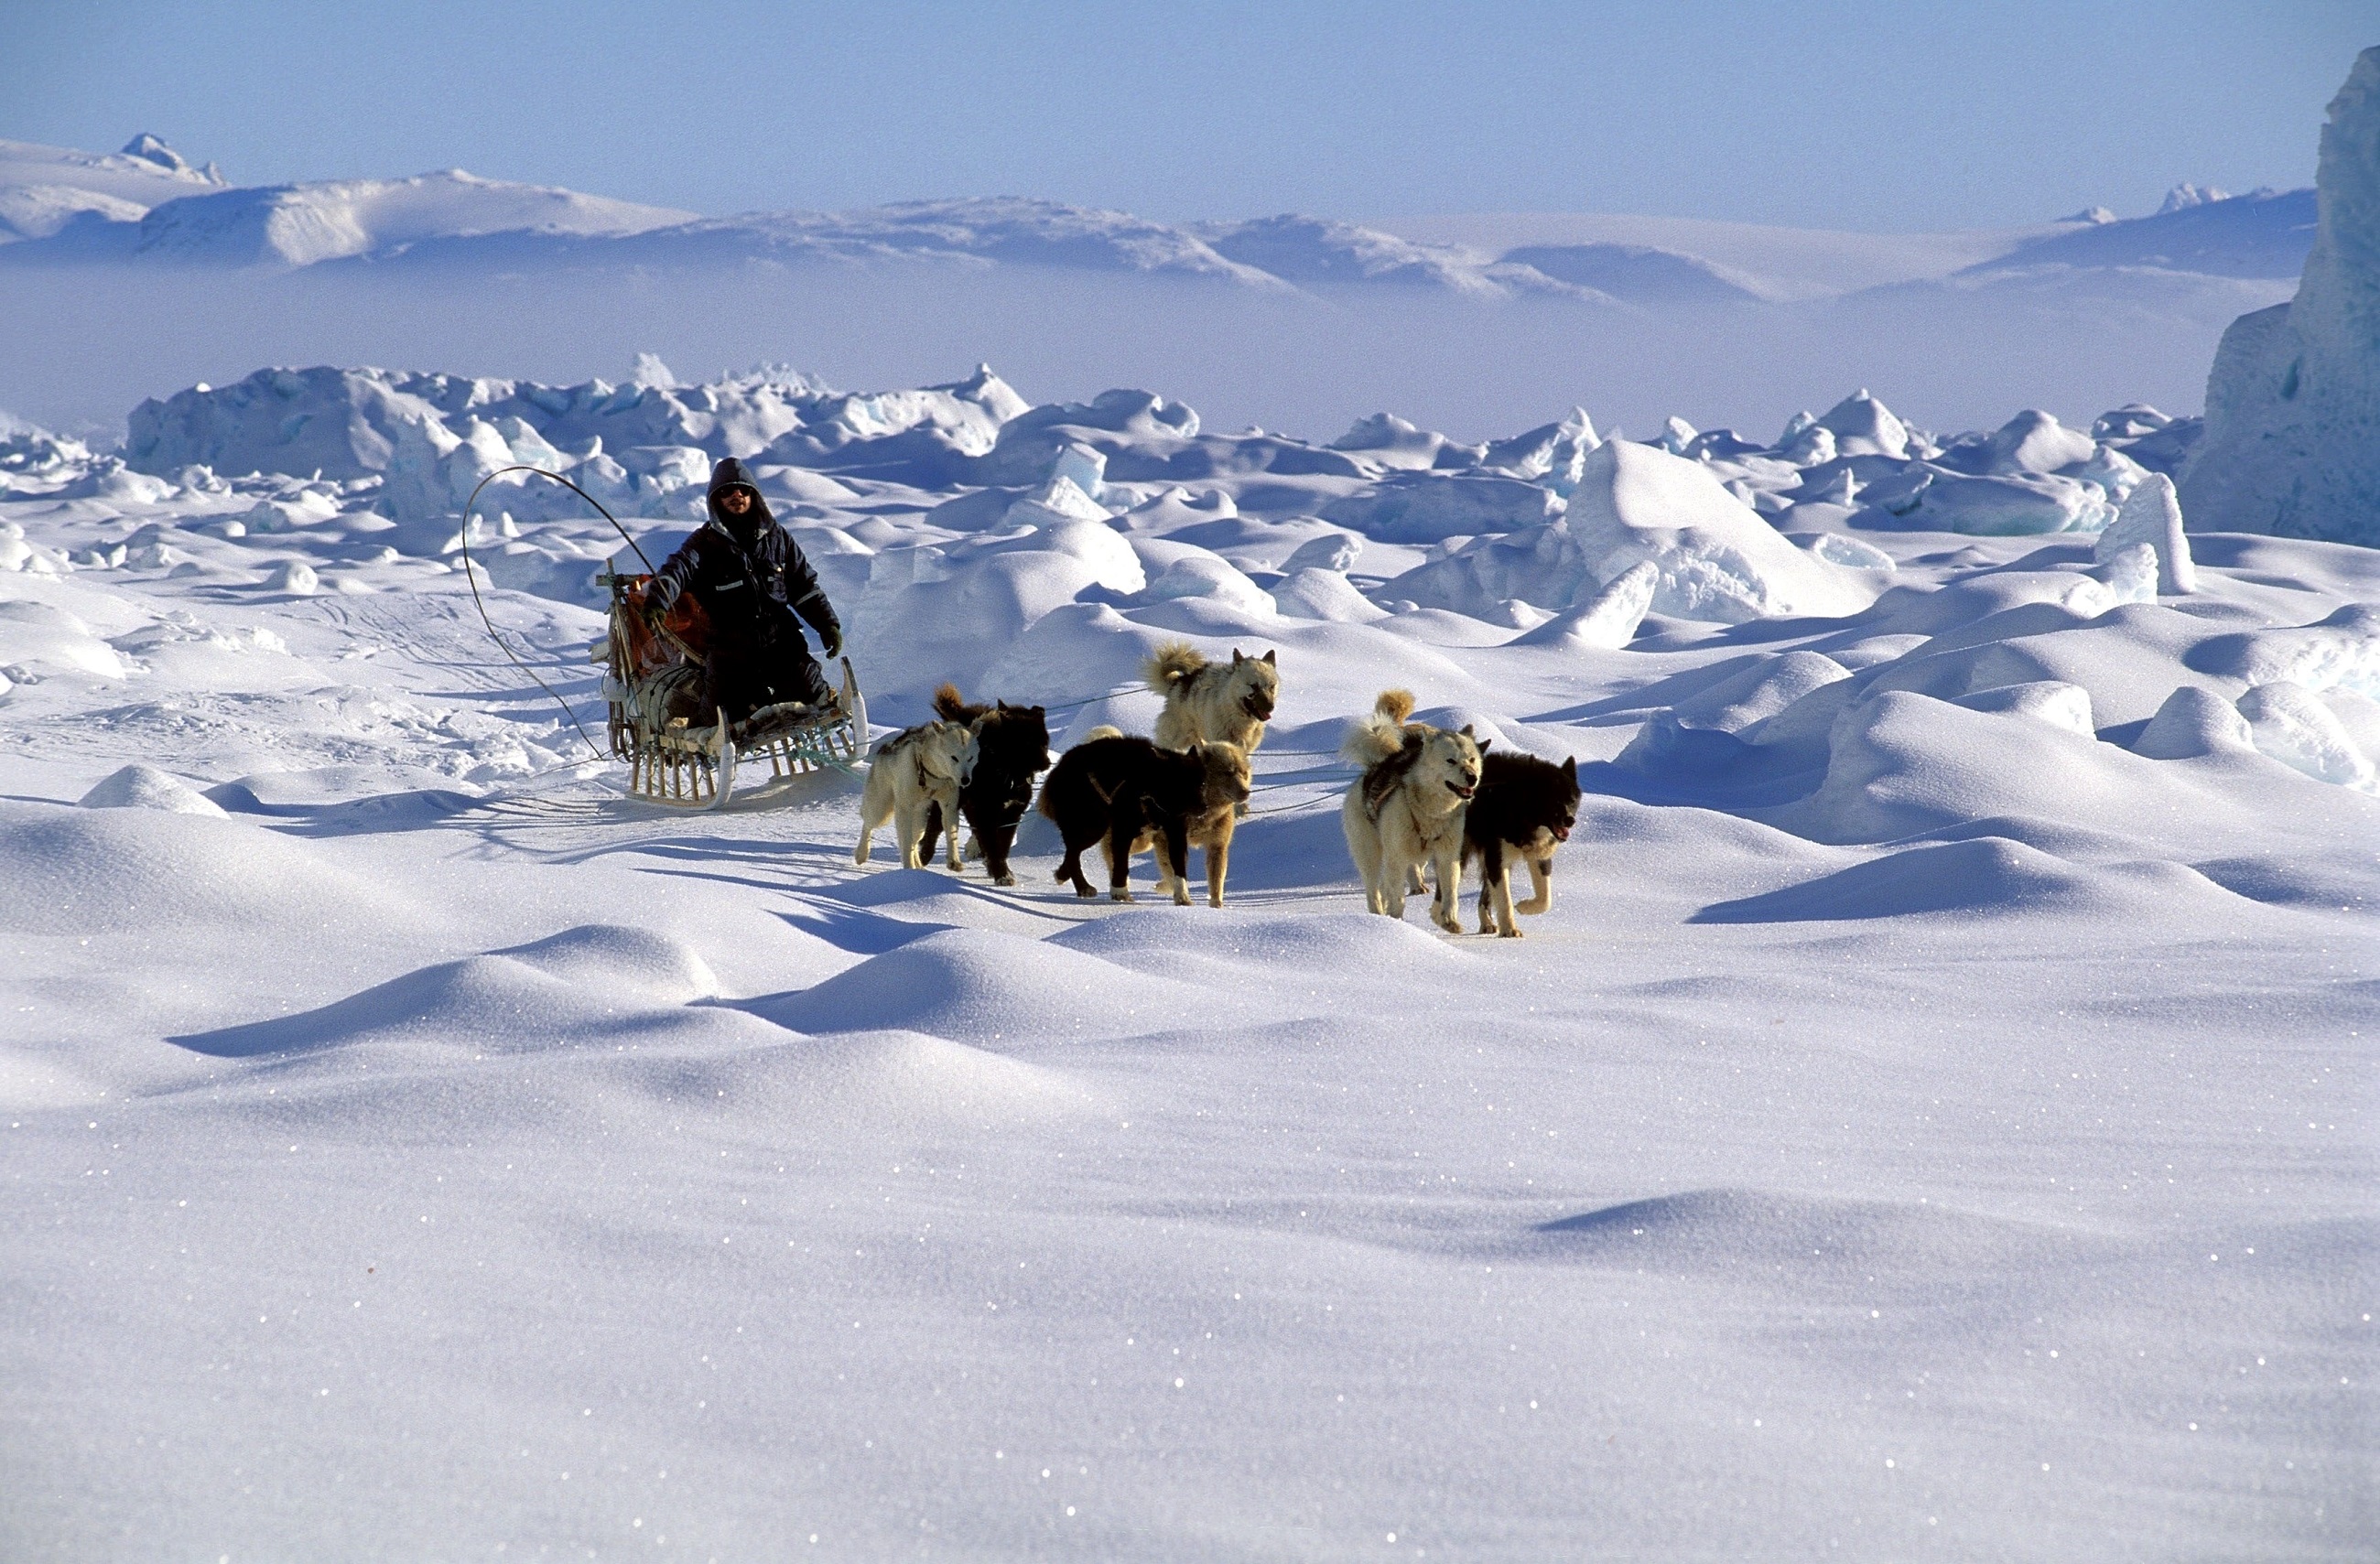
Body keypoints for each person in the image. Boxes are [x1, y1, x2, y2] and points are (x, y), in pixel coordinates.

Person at [645, 457, 844, 724]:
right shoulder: (703, 543)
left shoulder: (778, 537)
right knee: (717, 721)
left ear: (754, 495)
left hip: (782, 645)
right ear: (715, 500)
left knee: (816, 699)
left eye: (743, 490)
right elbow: (675, 570)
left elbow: (804, 585)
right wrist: (658, 601)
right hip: (731, 653)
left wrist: (827, 624)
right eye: (726, 491)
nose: (736, 495)